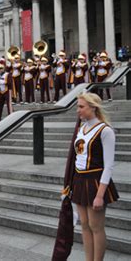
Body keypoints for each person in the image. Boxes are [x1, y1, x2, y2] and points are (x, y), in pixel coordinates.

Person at [72, 92, 119, 261]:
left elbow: (109, 166)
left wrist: (100, 195)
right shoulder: (81, 128)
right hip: (80, 180)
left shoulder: (105, 130)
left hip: (95, 181)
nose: (78, 110)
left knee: (96, 226)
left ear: (93, 107)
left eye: (81, 107)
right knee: (84, 225)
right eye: (78, 106)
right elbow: (77, 158)